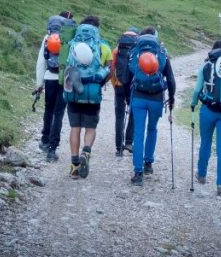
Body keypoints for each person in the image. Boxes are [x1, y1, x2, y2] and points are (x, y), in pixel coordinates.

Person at [123, 27, 176, 186]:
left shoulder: (135, 51)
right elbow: (171, 79)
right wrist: (171, 98)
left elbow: (126, 79)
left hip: (138, 97)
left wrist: (127, 98)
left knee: (138, 133)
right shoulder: (161, 52)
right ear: (155, 37)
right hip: (156, 98)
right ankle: (148, 164)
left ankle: (138, 173)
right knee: (152, 129)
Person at [62, 15, 112, 179]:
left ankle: (74, 165)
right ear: (97, 29)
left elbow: (64, 65)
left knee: (75, 128)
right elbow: (109, 70)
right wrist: (98, 82)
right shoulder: (103, 46)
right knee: (90, 128)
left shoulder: (71, 44)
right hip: (92, 93)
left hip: (73, 93)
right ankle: (86, 151)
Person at [191, 40, 221, 198]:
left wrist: (193, 104)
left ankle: (202, 175)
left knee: (205, 143)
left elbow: (198, 89)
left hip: (208, 110)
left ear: (212, 51)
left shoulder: (206, 66)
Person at [35, 11, 75, 161]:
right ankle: (52, 149)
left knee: (48, 109)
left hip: (50, 77)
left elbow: (41, 62)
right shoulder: (71, 38)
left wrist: (39, 84)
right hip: (65, 79)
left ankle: (45, 140)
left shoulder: (48, 37)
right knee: (59, 113)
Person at [109, 28, 138, 157]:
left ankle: (118, 148)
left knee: (119, 117)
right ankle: (129, 142)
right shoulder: (138, 50)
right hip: (133, 88)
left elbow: (111, 70)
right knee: (133, 114)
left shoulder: (116, 50)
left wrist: (115, 84)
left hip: (119, 86)